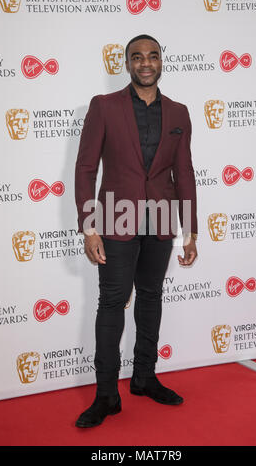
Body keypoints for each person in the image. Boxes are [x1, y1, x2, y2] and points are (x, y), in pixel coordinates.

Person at [74, 34, 198, 428]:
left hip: (161, 220)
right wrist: (88, 225)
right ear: (126, 64)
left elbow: (185, 174)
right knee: (112, 303)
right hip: (115, 220)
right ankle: (106, 395)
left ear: (162, 61)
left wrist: (191, 229)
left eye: (153, 56)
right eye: (137, 57)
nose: (146, 63)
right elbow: (86, 168)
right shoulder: (104, 106)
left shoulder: (179, 112)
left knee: (150, 297)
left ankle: (144, 377)